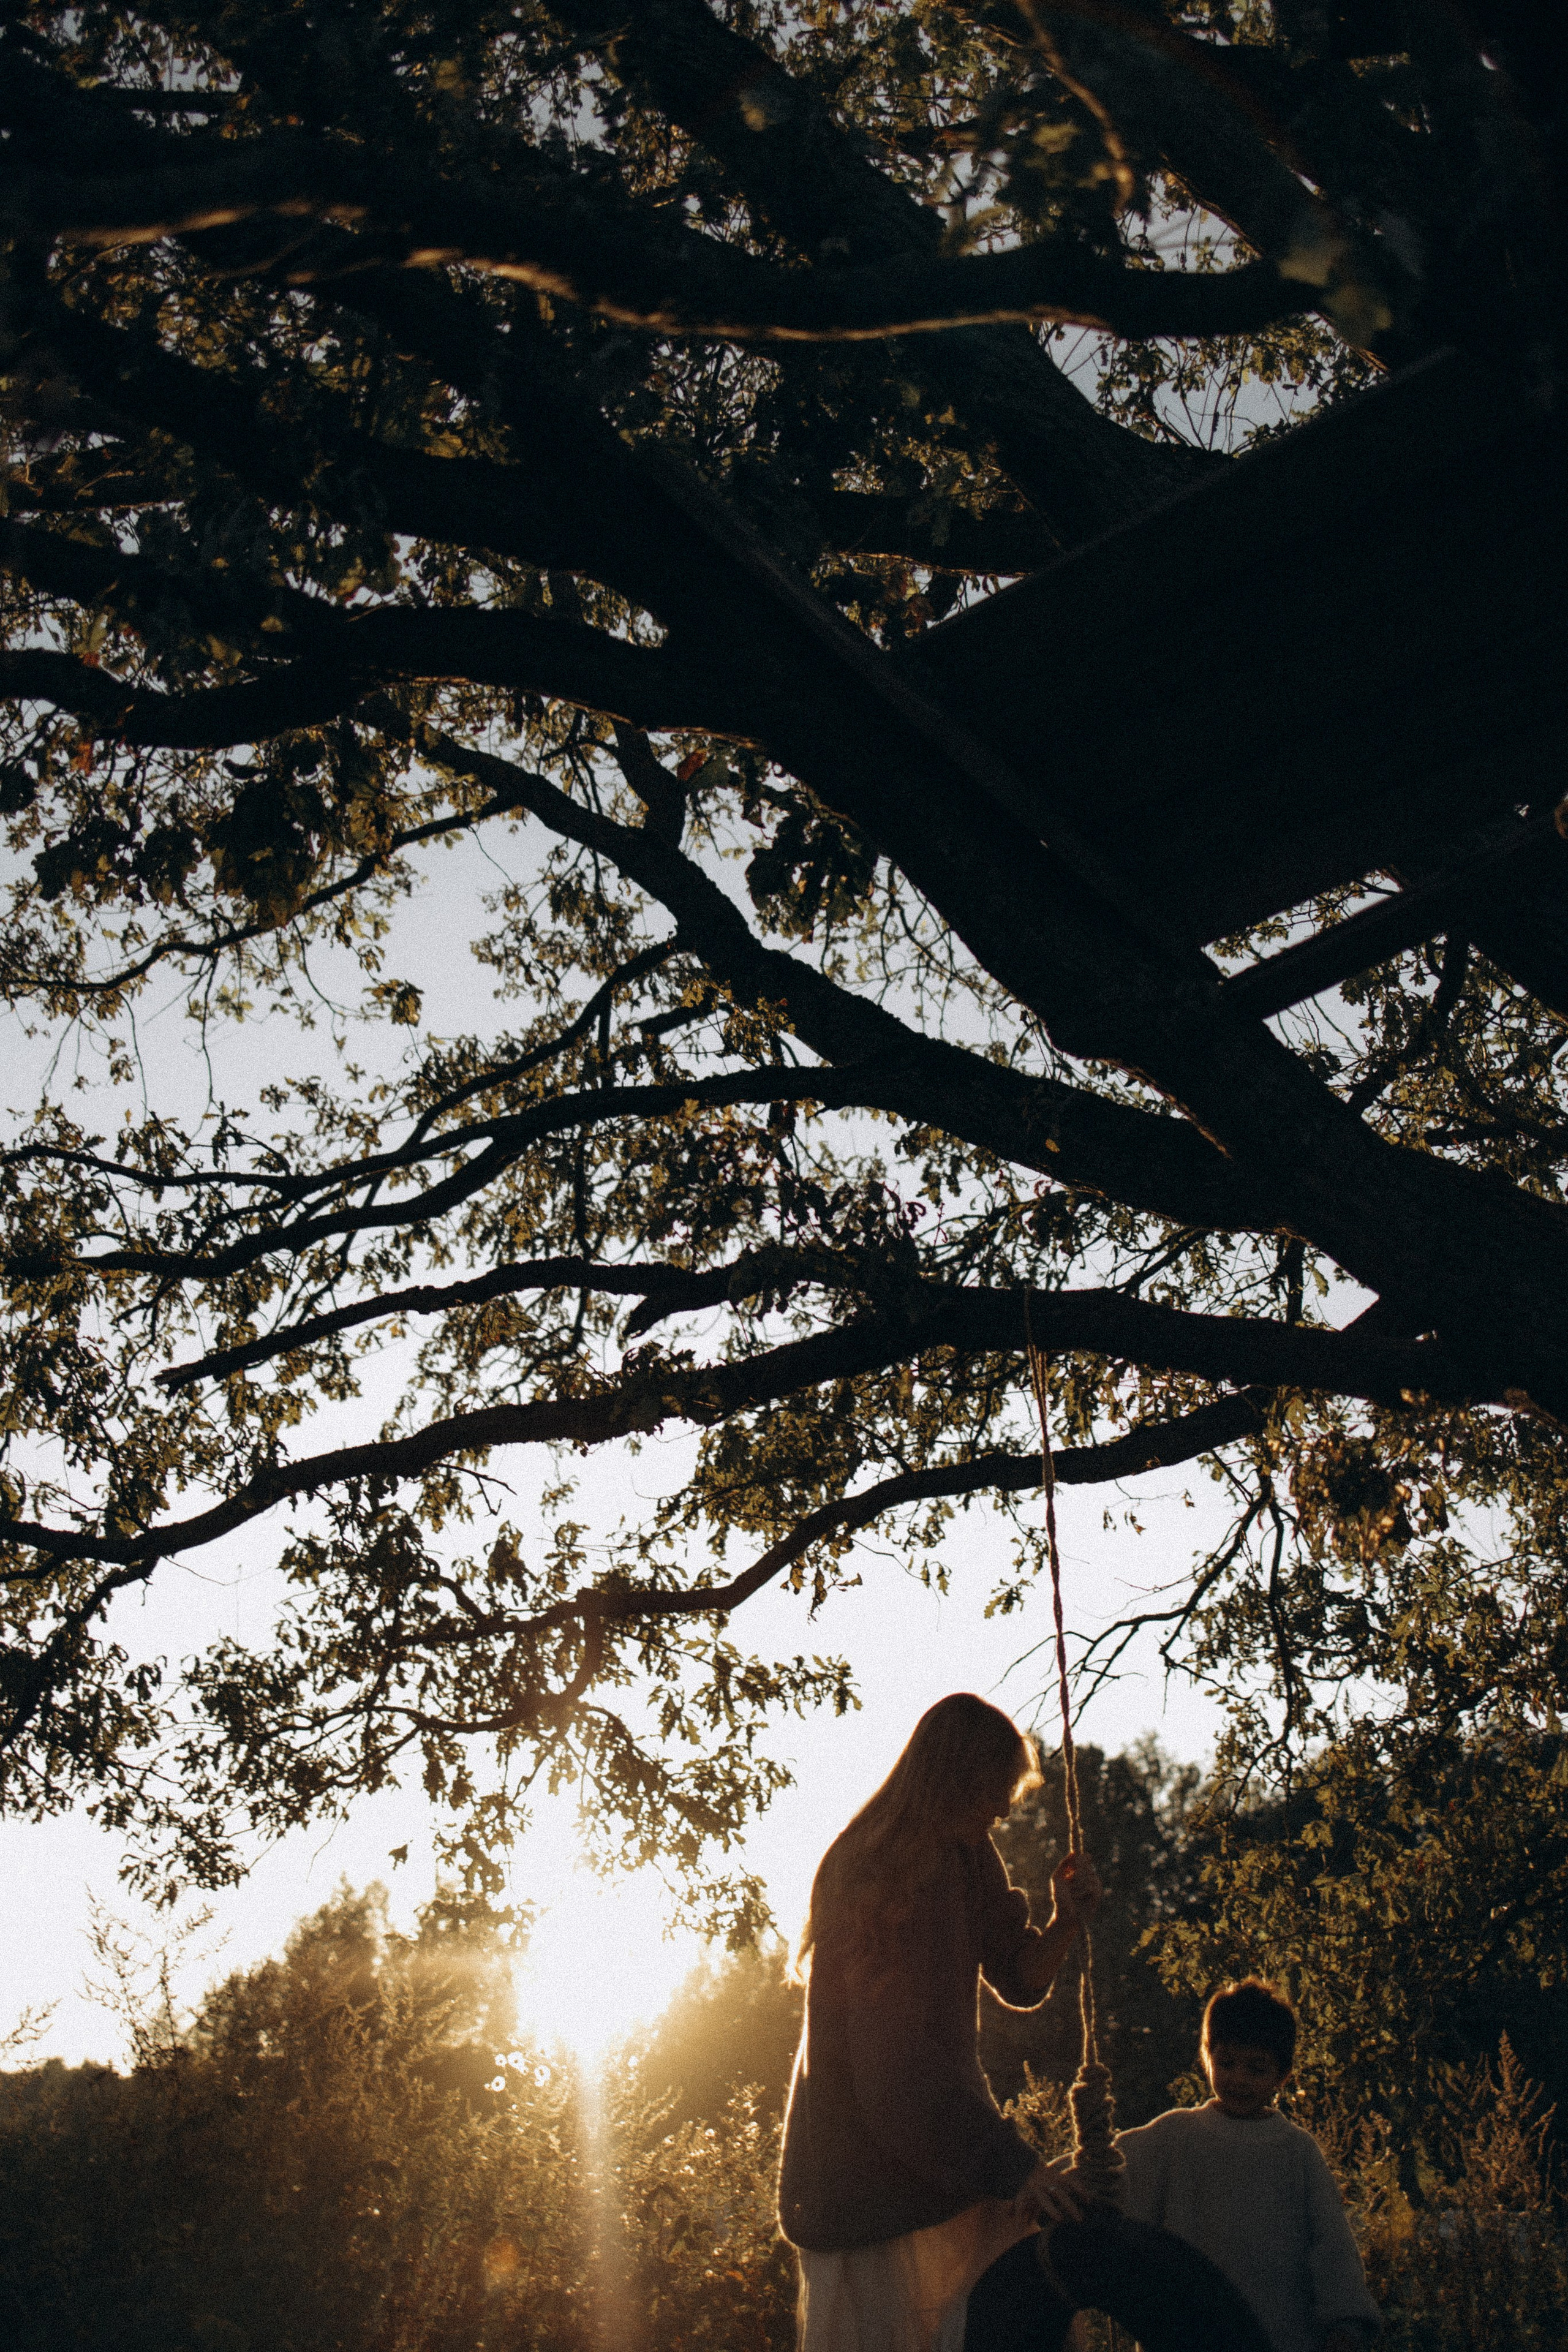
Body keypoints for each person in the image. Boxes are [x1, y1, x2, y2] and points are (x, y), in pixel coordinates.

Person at [778, 1692, 1104, 2352]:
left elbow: (1018, 1977)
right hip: (866, 2183)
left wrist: (1064, 1920)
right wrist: (1013, 2167)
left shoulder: (967, 1854)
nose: (1006, 1807)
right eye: (998, 1787)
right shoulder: (868, 1874)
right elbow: (892, 2068)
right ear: (959, 1776)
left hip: (935, 2158)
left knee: (1010, 2316)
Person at [1115, 1979, 1381, 2352]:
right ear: (1207, 2058)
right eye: (1226, 2063)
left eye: (1256, 2068)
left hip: (1284, 2338)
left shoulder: (1297, 2151)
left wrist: (1346, 2326)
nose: (1239, 2078)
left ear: (1283, 2076)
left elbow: (1333, 2246)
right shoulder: (1175, 2136)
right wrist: (1040, 2181)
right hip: (1189, 2337)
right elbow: (1105, 2170)